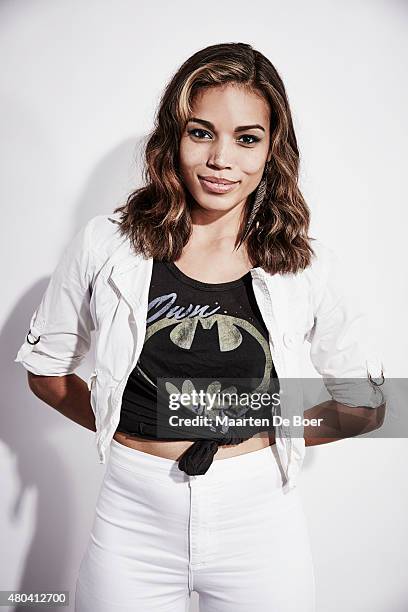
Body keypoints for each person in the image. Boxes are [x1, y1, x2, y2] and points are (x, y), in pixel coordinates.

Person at [14, 42, 386, 611]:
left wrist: (265, 424)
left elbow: (365, 406)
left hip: (260, 521)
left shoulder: (306, 265)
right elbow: (45, 372)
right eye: (201, 132)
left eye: (246, 138)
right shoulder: (105, 244)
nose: (221, 160)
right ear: (173, 137)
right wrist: (128, 418)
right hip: (131, 518)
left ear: (271, 150)